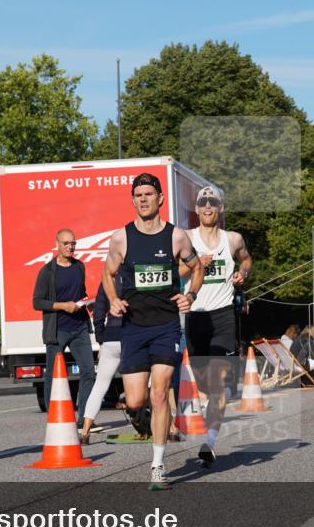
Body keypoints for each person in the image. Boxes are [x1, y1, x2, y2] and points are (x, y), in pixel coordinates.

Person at [102, 172, 204, 491]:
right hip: (133, 328)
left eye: (149, 193)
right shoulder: (122, 238)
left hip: (165, 326)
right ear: (133, 200)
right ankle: (146, 420)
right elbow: (107, 273)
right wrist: (114, 299)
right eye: (138, 195)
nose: (144, 199)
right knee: (134, 401)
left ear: (160, 198)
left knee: (159, 392)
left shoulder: (176, 237)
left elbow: (197, 267)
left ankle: (158, 468)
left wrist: (190, 295)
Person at [182, 185, 252, 469]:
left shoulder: (232, 239)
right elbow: (174, 273)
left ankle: (209, 442)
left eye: (213, 203)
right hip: (195, 316)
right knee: (204, 386)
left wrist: (242, 273)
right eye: (203, 203)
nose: (208, 207)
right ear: (197, 209)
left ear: (221, 208)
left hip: (222, 316)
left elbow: (246, 259)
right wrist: (194, 265)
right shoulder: (185, 239)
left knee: (218, 384)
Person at [32, 228, 96, 427]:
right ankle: (55, 418)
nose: (71, 247)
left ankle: (84, 418)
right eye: (67, 243)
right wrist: (63, 306)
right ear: (57, 244)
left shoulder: (80, 267)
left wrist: (88, 303)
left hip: (80, 328)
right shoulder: (47, 272)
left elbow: (81, 292)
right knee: (53, 374)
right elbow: (37, 302)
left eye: (73, 243)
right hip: (58, 329)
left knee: (89, 373)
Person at [79, 275, 123, 445]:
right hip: (132, 337)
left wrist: (101, 339)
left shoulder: (106, 279)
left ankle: (85, 432)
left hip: (111, 337)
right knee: (149, 384)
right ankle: (168, 429)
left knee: (99, 386)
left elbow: (98, 312)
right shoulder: (135, 275)